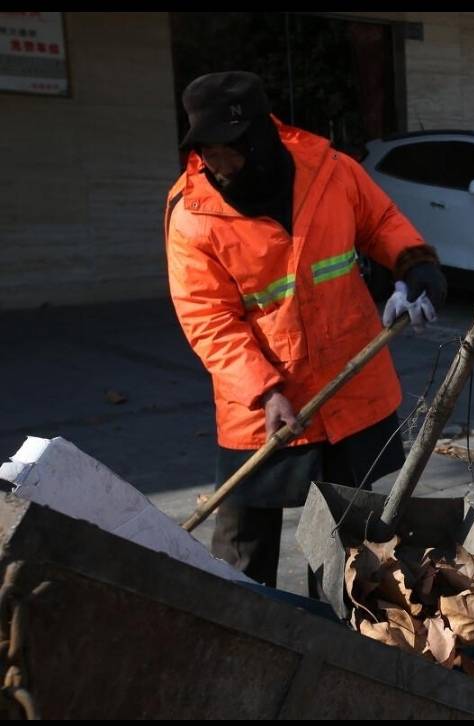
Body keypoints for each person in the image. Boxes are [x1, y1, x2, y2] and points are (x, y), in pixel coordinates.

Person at [165, 71, 446, 589]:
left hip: (352, 387)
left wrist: (415, 266)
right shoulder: (193, 214)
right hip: (262, 407)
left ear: (258, 138)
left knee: (351, 541)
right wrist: (264, 391)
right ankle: (243, 628)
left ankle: (343, 626)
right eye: (206, 152)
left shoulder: (329, 170)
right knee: (243, 551)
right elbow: (207, 317)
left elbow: (382, 222)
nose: (217, 165)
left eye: (227, 150)